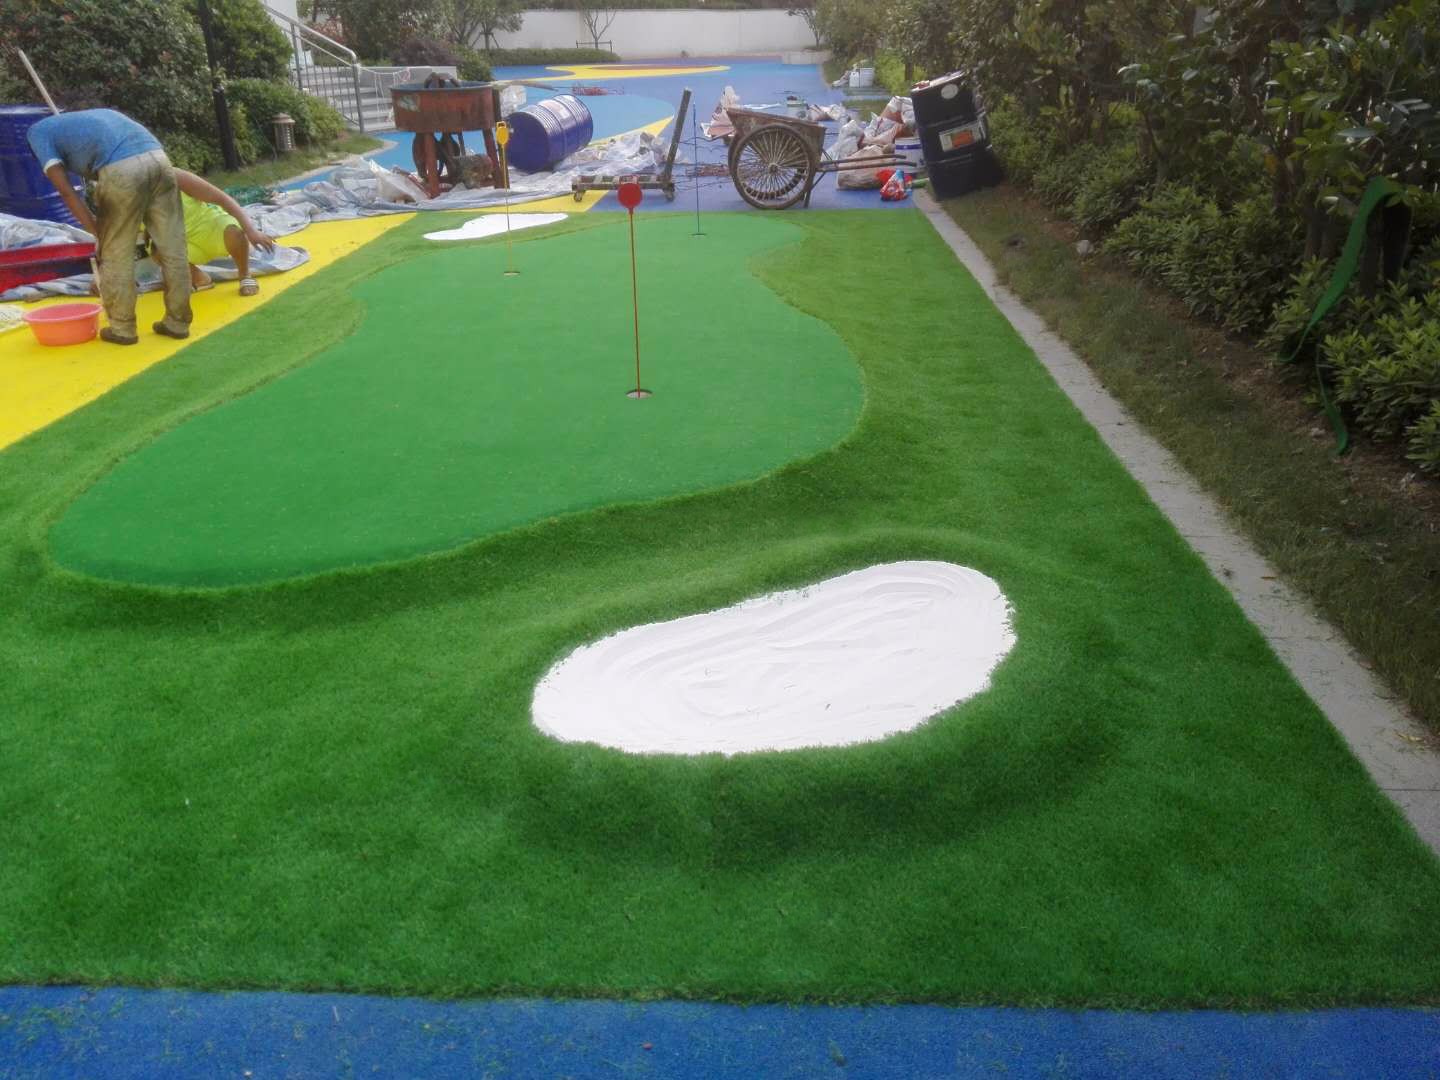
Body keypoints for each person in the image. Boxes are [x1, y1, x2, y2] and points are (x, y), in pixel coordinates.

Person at [27, 108, 190, 346]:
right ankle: (178, 323)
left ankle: (122, 328)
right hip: (159, 160)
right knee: (173, 248)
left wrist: (97, 231)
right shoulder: (79, 124)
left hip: (122, 168)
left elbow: (66, 192)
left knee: (116, 253)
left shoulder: (36, 134)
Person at [172, 170, 277, 297]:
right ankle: (200, 279)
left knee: (233, 230)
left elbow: (223, 199)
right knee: (157, 249)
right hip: (184, 241)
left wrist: (251, 231)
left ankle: (245, 275)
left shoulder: (176, 176)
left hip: (211, 227)